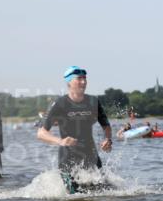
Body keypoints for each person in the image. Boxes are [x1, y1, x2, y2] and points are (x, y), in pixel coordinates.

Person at [37, 66, 113, 194]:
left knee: (104, 195)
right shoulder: (60, 103)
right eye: (79, 79)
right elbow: (41, 133)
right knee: (74, 197)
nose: (83, 82)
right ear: (69, 82)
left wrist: (108, 139)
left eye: (85, 78)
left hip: (91, 156)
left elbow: (106, 126)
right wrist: (60, 141)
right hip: (68, 159)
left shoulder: (93, 101)